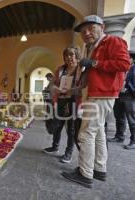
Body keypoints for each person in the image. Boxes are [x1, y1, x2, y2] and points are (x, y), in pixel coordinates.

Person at [61, 15, 130, 188]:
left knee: (85, 134)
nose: (87, 33)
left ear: (102, 27)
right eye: (83, 31)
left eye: (91, 28)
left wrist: (94, 62)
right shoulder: (93, 46)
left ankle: (85, 173)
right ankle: (99, 169)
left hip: (102, 93)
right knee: (98, 132)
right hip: (97, 92)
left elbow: (124, 64)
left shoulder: (113, 41)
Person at [43, 46, 84, 163]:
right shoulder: (61, 69)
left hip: (74, 102)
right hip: (61, 100)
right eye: (66, 55)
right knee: (57, 125)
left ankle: (68, 153)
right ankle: (55, 146)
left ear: (77, 56)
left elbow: (83, 87)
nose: (69, 57)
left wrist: (72, 90)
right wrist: (56, 89)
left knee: (71, 129)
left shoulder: (81, 69)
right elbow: (52, 85)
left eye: (71, 54)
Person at [108, 51, 135, 149]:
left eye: (128, 58)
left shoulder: (134, 69)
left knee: (132, 120)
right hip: (119, 95)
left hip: (129, 96)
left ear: (132, 59)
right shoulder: (121, 69)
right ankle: (119, 136)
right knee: (119, 117)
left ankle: (133, 141)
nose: (126, 60)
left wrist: (128, 86)